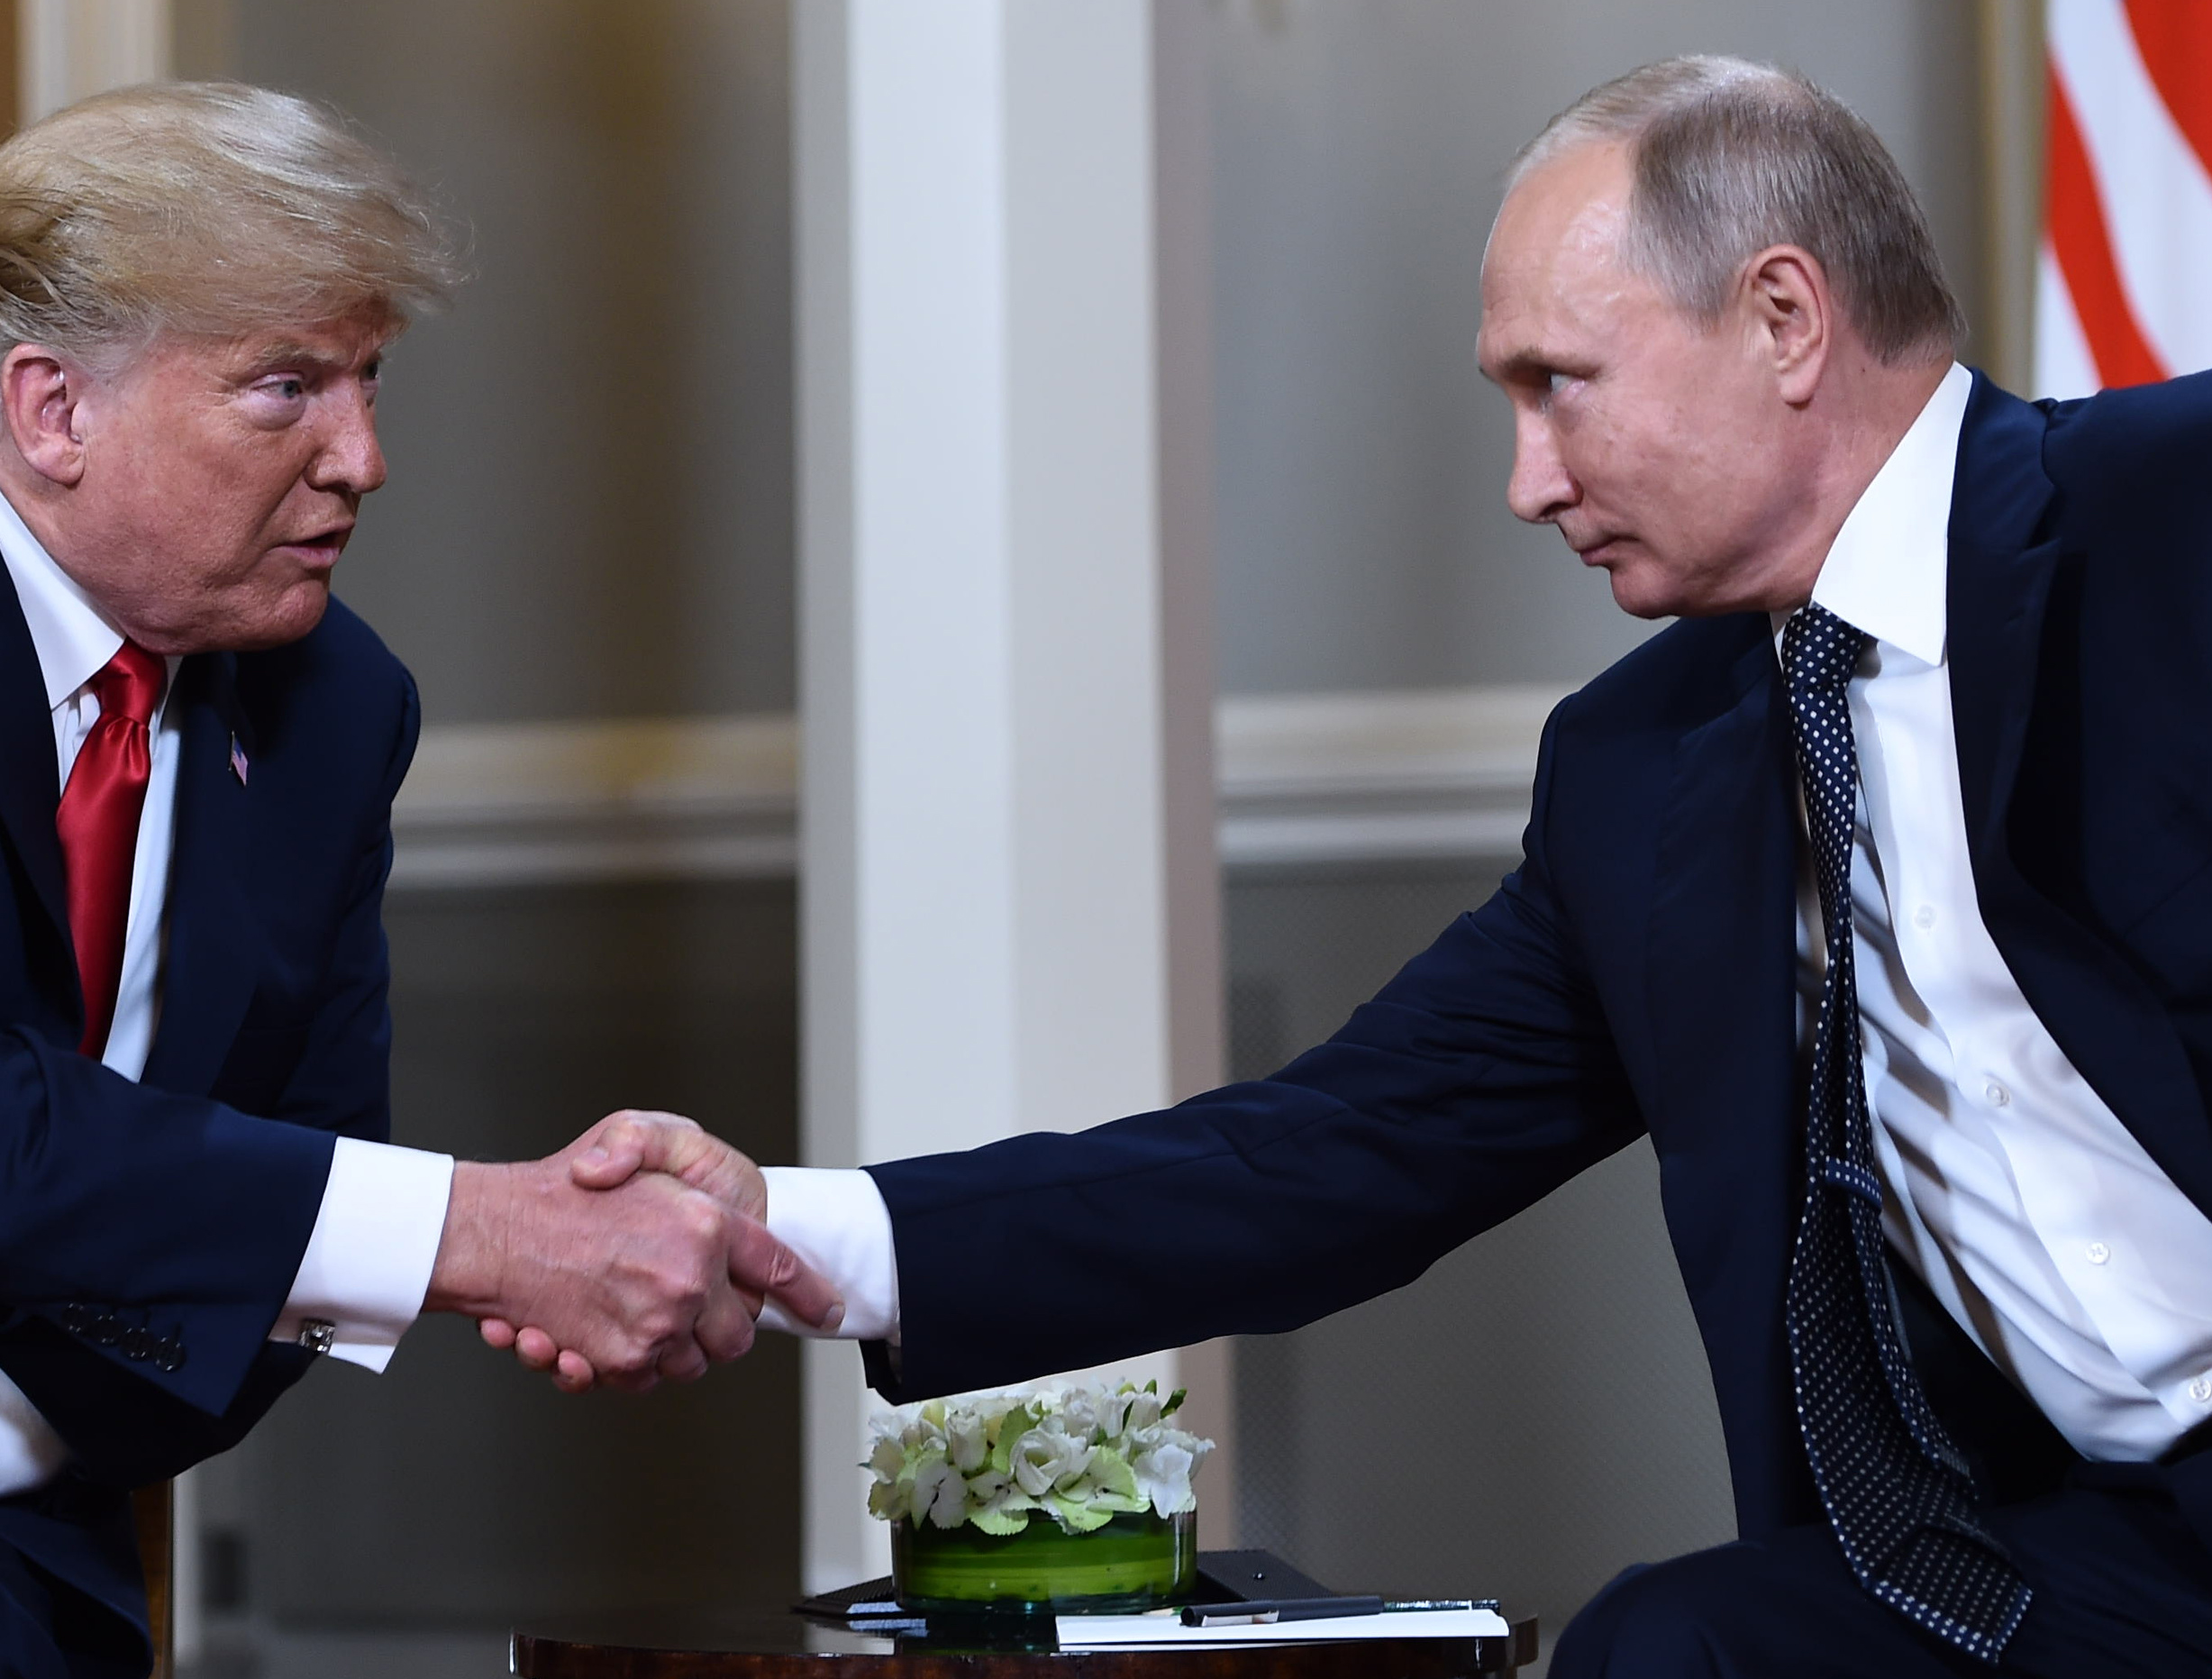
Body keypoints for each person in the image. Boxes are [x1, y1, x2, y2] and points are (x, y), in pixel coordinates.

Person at [555, 56, 2212, 1677]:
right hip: (2105, 1547)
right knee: (1674, 1640)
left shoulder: (2169, 521)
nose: (1525, 483)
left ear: (1784, 319)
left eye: (1559, 383)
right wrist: (797, 1232)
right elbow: (1336, 1150)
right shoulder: (1644, 775)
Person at [0, 83, 835, 1679]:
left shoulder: (334, 708)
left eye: (369, 380)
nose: (367, 459)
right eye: (287, 389)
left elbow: (278, 1222)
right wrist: (486, 1231)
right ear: (55, 410)